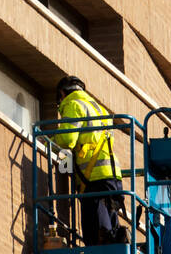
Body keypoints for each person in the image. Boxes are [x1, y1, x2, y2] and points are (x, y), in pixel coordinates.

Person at [51, 76, 129, 245]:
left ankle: (106, 248)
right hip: (112, 173)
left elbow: (66, 140)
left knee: (96, 227)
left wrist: (48, 142)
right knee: (109, 212)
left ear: (62, 93)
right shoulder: (101, 110)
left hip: (94, 175)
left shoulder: (74, 104)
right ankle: (119, 241)